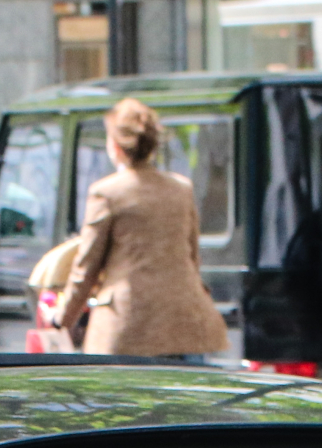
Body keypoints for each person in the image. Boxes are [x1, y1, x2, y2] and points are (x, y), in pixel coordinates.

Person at [50, 98, 228, 358]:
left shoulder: (107, 192)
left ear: (116, 146)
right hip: (184, 324)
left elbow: (87, 266)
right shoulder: (181, 189)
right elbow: (192, 258)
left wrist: (62, 319)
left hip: (129, 326)